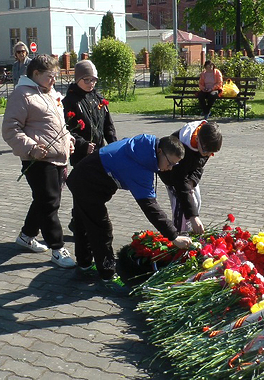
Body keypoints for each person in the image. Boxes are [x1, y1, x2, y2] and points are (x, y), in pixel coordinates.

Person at [66, 134, 193, 293]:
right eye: (170, 163)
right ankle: (108, 276)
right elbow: (150, 207)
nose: (170, 168)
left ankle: (84, 265)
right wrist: (174, 236)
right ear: (160, 151)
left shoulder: (145, 148)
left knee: (84, 223)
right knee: (101, 229)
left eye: (175, 164)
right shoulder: (140, 167)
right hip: (87, 183)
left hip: (84, 175)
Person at [2, 54, 76, 268]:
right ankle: (57, 247)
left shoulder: (49, 93)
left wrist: (68, 139)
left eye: (56, 75)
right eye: (50, 75)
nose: (54, 80)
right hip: (38, 159)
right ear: (36, 74)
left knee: (44, 200)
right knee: (49, 202)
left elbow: (57, 123)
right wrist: (31, 148)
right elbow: (10, 129)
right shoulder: (22, 94)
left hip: (57, 157)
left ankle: (26, 236)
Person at [62, 60, 117, 232]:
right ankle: (79, 222)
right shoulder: (70, 101)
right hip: (81, 153)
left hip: (99, 153)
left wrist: (115, 146)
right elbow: (66, 129)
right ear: (77, 79)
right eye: (86, 80)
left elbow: (108, 126)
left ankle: (79, 220)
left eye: (93, 80)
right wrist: (83, 144)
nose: (91, 84)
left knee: (94, 189)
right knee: (82, 188)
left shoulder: (98, 99)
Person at [158, 120, 222, 234]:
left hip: (188, 176)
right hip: (172, 175)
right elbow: (180, 183)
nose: (208, 155)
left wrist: (192, 181)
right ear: (197, 139)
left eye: (211, 153)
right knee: (182, 208)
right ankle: (179, 237)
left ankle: (190, 234)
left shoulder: (207, 142)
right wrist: (193, 217)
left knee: (196, 202)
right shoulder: (182, 146)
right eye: (206, 151)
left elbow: (199, 165)